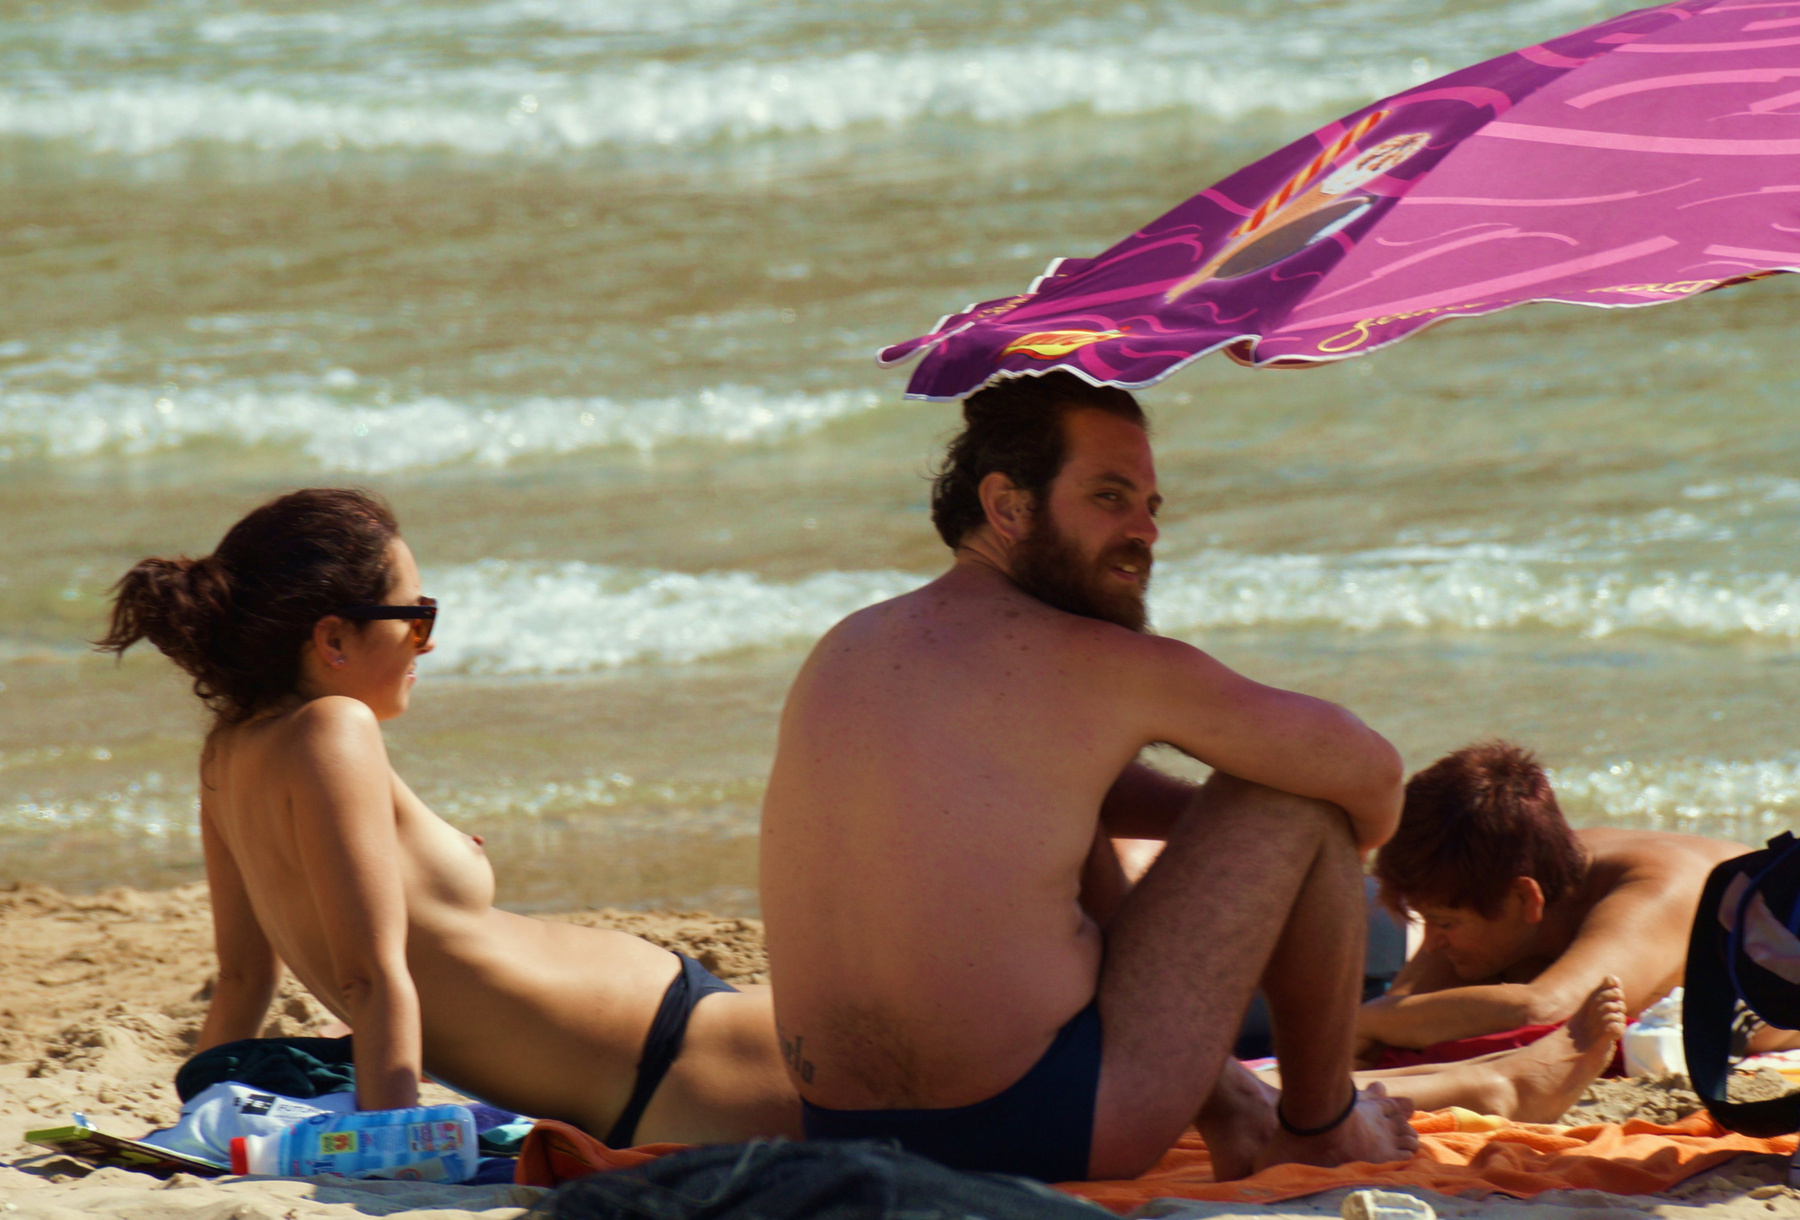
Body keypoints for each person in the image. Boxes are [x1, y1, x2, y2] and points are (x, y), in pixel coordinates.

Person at [760, 371, 1427, 1184]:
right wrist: (1283, 855)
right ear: (1008, 506)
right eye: (1110, 497)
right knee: (1296, 795)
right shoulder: (1097, 661)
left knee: (1080, 817)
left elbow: (1015, 787)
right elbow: (1371, 778)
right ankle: (1322, 1128)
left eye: (1151, 505)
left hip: (841, 1130)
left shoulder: (848, 644)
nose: (1145, 531)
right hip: (1034, 1126)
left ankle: (1237, 1113)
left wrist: (1212, 842)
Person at [100, 488, 799, 1146]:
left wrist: (197, 1120)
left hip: (666, 1054)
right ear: (334, 639)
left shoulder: (226, 756)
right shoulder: (333, 729)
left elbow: (242, 982)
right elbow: (371, 977)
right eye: (415, 617)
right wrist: (389, 1147)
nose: (425, 643)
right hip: (677, 1055)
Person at [1362, 741, 1748, 1059]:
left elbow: (1546, 1010)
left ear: (1524, 897)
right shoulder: (1493, 876)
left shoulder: (1656, 890)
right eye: (1426, 920)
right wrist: (1377, 1021)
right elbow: (1401, 1007)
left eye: (1445, 923)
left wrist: (1366, 1021)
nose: (1431, 943)